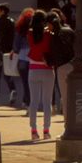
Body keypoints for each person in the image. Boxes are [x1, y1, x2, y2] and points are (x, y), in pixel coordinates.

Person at [26, 10, 56, 139]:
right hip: (47, 69)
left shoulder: (30, 34)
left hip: (33, 69)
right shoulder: (48, 34)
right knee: (46, 102)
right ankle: (46, 130)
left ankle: (33, 130)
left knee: (33, 102)